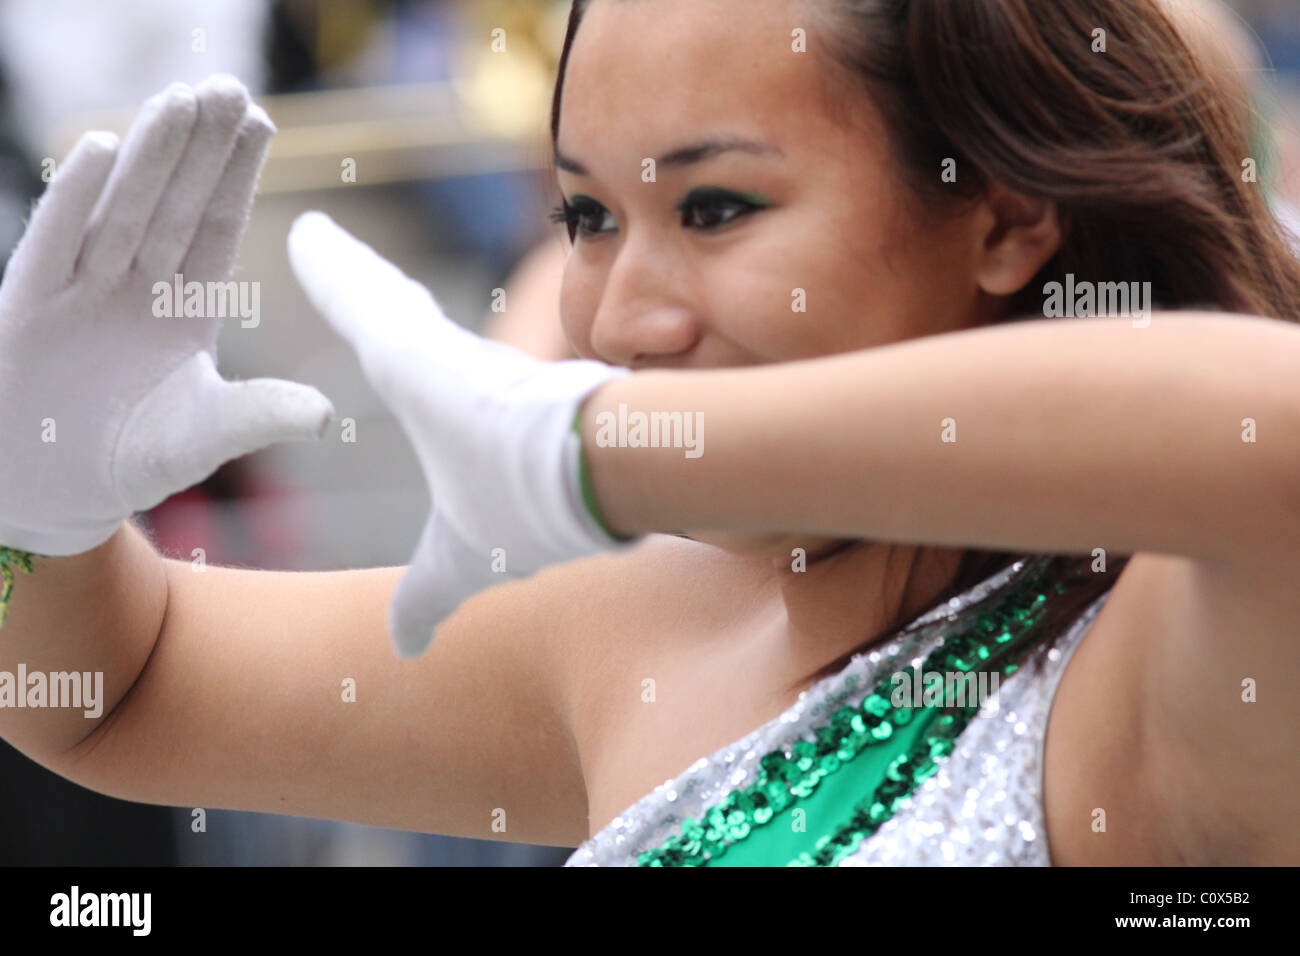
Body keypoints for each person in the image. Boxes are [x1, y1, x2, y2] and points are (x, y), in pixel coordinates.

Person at [2, 0, 1300, 867]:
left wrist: (595, 451)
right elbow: (119, 691)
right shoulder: (637, 629)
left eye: (717, 207)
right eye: (584, 218)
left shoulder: (1156, 667)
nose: (620, 316)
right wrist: (34, 511)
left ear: (1006, 219)